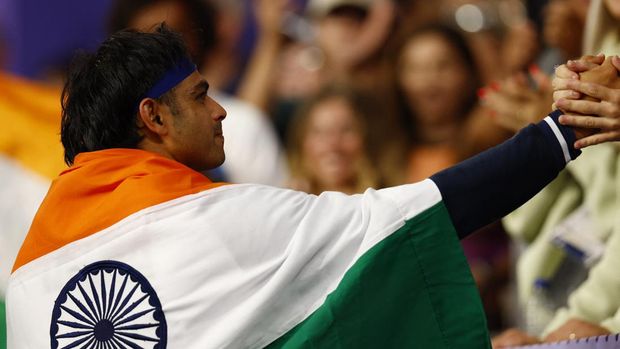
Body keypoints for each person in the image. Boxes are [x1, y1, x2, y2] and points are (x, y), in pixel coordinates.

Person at [5, 25, 611, 348]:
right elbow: (417, 215)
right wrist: (563, 131)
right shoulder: (216, 224)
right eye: (199, 95)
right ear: (153, 118)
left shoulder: (26, 281)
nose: (220, 112)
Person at [108, 0, 288, 186]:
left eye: (175, 33)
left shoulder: (244, 124)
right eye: (146, 40)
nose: (162, 49)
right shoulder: (108, 144)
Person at [286, 85, 380, 194]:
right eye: (321, 132)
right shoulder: (285, 204)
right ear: (302, 142)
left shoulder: (388, 202)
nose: (333, 144)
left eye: (346, 130)